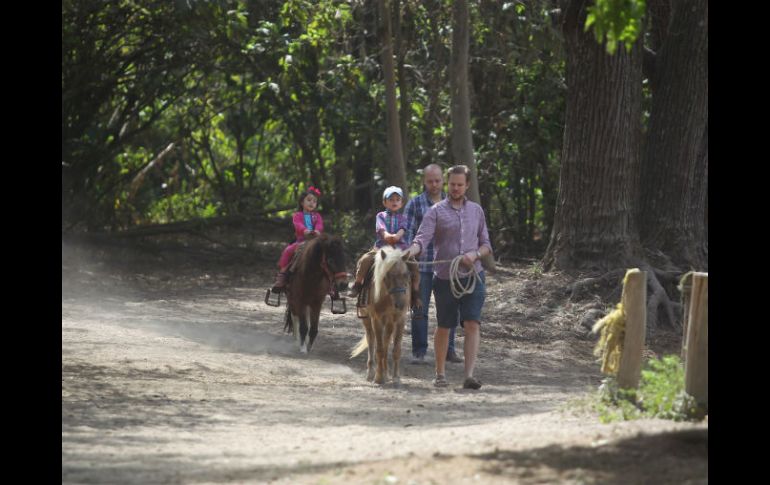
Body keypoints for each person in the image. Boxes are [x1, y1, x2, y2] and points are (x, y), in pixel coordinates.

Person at [405, 165, 492, 389]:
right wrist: (410, 252)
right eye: (452, 184)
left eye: (460, 185)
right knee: (444, 325)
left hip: (474, 276)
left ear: (467, 185)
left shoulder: (476, 211)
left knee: (472, 323)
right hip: (445, 278)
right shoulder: (435, 211)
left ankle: (469, 375)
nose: (455, 188)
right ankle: (440, 373)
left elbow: (486, 245)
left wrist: (474, 255)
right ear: (447, 183)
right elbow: (421, 239)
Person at [403, 164, 462, 365]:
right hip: (422, 267)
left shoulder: (453, 203)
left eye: (437, 180)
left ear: (443, 181)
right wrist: (410, 255)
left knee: (449, 309)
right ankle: (419, 351)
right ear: (424, 182)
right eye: (430, 181)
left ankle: (449, 350)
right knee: (419, 309)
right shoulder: (415, 204)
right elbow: (409, 234)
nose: (434, 185)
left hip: (447, 267)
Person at [348, 186, 419, 303]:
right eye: (391, 200)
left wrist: (397, 236)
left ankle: (415, 292)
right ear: (384, 202)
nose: (394, 202)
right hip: (382, 249)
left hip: (400, 251)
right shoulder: (380, 215)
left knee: (414, 265)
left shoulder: (404, 218)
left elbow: (402, 229)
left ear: (401, 203)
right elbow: (381, 229)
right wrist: (387, 236)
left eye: (397, 199)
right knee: (365, 260)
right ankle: (358, 284)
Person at [271, 186, 324, 292]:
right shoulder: (297, 215)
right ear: (301, 202)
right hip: (301, 240)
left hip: (315, 241)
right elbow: (298, 225)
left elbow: (320, 225)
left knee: (327, 252)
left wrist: (317, 231)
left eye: (314, 201)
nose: (312, 203)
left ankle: (331, 281)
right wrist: (305, 230)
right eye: (309, 200)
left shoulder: (317, 216)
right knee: (288, 250)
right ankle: (282, 275)